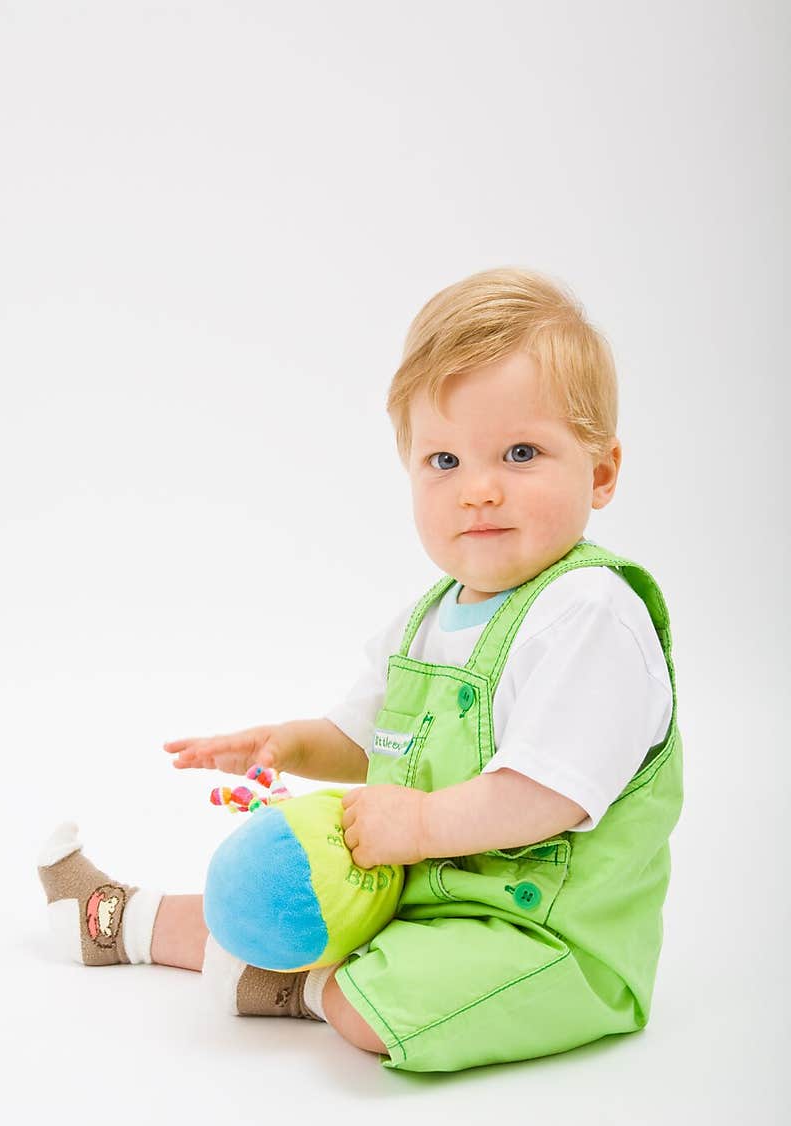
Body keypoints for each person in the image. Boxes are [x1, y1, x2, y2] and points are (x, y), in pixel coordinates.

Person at [37, 266, 683, 1074]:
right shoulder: (432, 615)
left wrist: (414, 828)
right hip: (432, 897)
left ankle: (296, 988)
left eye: (520, 453)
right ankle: (121, 919)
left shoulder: (588, 611)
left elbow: (548, 793)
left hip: (544, 939)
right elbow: (368, 735)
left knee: (367, 1005)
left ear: (601, 471)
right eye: (443, 460)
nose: (478, 490)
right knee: (283, 896)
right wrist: (292, 743)